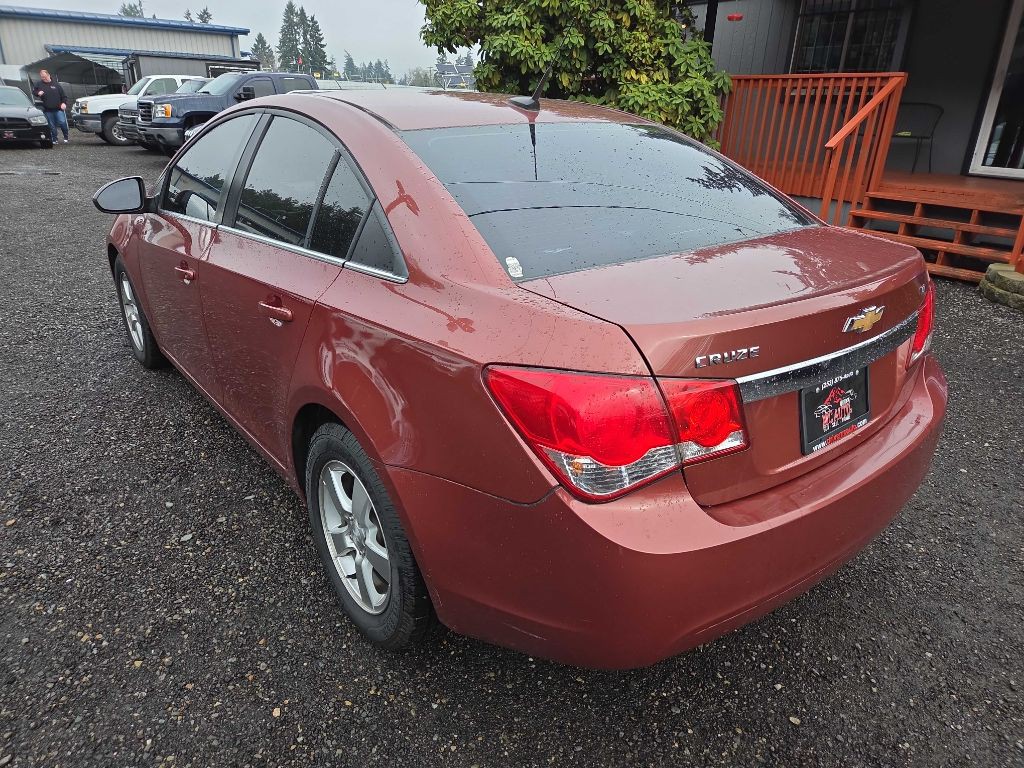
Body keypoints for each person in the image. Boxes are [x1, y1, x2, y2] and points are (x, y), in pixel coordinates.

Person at [34, 70, 69, 145]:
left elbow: (64, 96)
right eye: (42, 77)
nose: (44, 78)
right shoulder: (39, 84)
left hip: (58, 109)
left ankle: (66, 136)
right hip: (47, 109)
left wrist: (64, 103)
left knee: (62, 122)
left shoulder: (56, 85)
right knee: (52, 125)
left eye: (45, 77)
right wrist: (38, 93)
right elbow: (34, 92)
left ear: (48, 75)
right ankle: (54, 139)